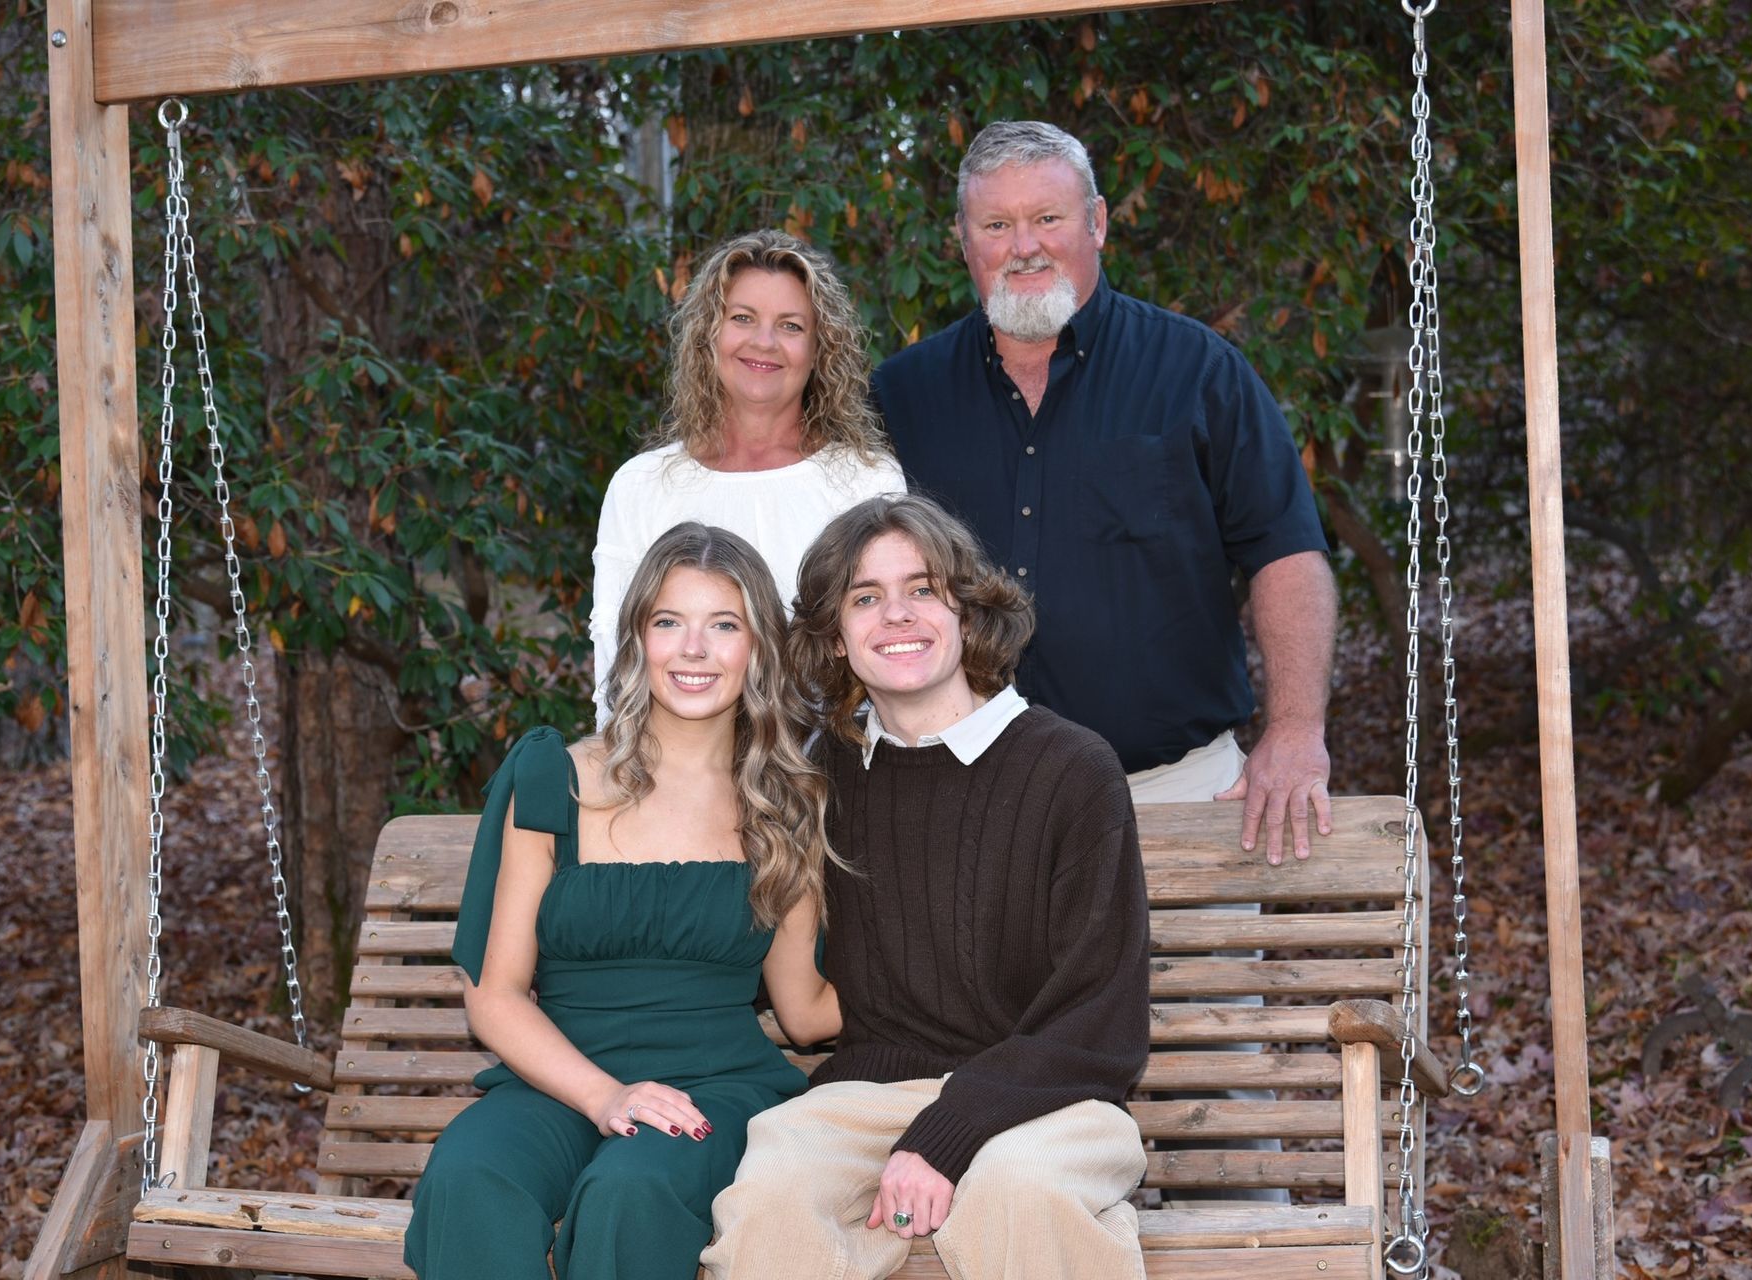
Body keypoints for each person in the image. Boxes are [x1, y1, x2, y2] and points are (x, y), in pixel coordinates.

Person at [702, 494, 1150, 1280]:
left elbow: (1098, 1021)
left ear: (969, 615)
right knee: (772, 1190)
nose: (896, 615)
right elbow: (790, 989)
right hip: (869, 1096)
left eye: (923, 589)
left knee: (1018, 1189)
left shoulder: (1072, 769)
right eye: (865, 598)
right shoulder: (819, 779)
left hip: (1051, 1101)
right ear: (836, 640)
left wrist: (947, 1134)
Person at [871, 120, 1337, 862]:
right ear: (964, 242)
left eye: (1047, 218)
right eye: (997, 224)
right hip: (965, 806)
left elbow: (1285, 552)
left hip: (1178, 794)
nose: (1024, 246)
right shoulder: (902, 395)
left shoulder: (1198, 371)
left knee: (1204, 985)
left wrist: (1295, 730)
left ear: (1097, 223)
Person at [406, 523, 842, 1280]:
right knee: (470, 1178)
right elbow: (496, 997)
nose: (694, 649)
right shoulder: (555, 779)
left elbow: (804, 1012)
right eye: (669, 622)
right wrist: (607, 1096)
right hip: (559, 1080)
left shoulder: (787, 805)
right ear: (638, 638)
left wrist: (956, 981)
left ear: (759, 648)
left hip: (713, 1089)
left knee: (627, 1193)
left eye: (724, 625)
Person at [590, 228, 907, 727]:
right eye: (742, 318)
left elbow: (888, 648)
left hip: (833, 781)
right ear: (707, 335)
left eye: (790, 325)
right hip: (678, 782)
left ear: (821, 348)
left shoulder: (865, 481)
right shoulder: (641, 486)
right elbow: (615, 672)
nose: (764, 342)